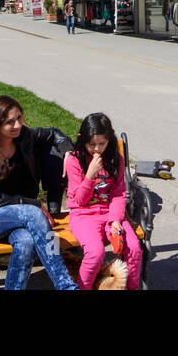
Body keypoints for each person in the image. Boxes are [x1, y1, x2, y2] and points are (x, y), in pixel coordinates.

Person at [0, 96, 77, 290]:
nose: (18, 125)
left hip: (17, 216)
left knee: (26, 241)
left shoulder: (24, 136)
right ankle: (66, 285)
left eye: (19, 118)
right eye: (9, 122)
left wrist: (67, 151)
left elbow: (54, 134)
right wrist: (33, 204)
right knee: (33, 213)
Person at [63, 112, 143, 290]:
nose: (97, 149)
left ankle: (132, 287)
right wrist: (90, 175)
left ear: (109, 140)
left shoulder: (115, 159)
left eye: (102, 144)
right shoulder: (75, 161)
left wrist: (115, 219)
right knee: (95, 253)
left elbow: (118, 192)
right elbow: (80, 201)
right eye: (92, 144)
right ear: (83, 140)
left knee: (134, 248)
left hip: (110, 213)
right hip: (83, 215)